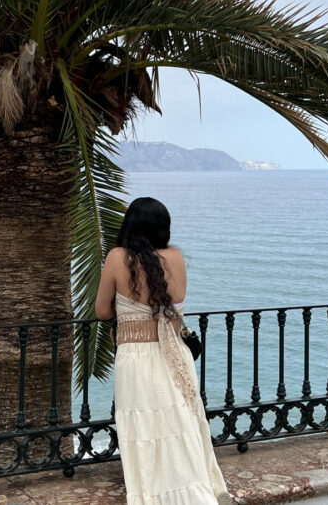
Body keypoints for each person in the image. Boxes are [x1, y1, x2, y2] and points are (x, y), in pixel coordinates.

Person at [96, 197, 230, 504]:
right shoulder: (177, 258)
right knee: (180, 421)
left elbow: (102, 311)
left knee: (144, 423)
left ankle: (153, 488)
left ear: (129, 226)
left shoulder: (118, 258)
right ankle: (190, 484)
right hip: (175, 354)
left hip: (136, 357)